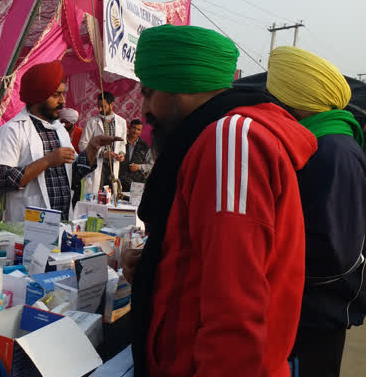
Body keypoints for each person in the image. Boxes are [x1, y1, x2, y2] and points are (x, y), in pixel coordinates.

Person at [125, 25, 317, 377]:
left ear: (179, 89)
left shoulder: (230, 142)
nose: (146, 108)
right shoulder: (214, 140)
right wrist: (160, 264)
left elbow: (235, 311)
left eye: (150, 93)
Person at [267, 46, 366, 377]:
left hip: (316, 315)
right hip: (305, 309)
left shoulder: (333, 151)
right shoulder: (316, 142)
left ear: (292, 101)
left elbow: (335, 253)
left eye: (275, 97)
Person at [0, 60, 121, 221]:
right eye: (56, 95)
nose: (62, 101)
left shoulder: (59, 130)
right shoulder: (11, 131)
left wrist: (92, 148)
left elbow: (71, 175)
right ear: (38, 96)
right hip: (27, 224)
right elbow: (2, 180)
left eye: (62, 93)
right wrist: (47, 161)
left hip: (62, 222)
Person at [80, 91, 127, 198]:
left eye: (103, 106)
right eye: (98, 106)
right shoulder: (92, 122)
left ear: (112, 105)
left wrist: (121, 153)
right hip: (97, 166)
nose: (100, 109)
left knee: (110, 198)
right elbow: (82, 144)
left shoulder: (121, 122)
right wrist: (102, 153)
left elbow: (123, 143)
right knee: (94, 198)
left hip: (113, 167)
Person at [118, 119, 154, 192]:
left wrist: (139, 167)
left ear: (141, 131)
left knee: (135, 203)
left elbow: (152, 165)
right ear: (129, 127)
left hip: (136, 185)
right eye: (133, 128)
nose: (135, 131)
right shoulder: (120, 142)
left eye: (138, 129)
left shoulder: (145, 146)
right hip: (118, 182)